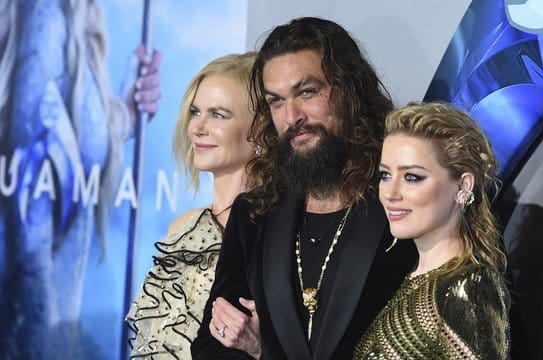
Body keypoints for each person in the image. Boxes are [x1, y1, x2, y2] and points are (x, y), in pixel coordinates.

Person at [191, 16, 417, 360]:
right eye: (276, 101)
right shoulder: (255, 215)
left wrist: (263, 351)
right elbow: (210, 346)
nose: (291, 116)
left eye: (307, 92)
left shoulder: (407, 204)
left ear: (350, 90)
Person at [0, 0, 161, 357]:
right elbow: (32, 199)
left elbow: (67, 133)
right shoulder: (45, 11)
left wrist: (125, 115)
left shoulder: (76, 13)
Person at [125, 52, 260, 359]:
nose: (198, 127)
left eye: (218, 114)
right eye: (196, 112)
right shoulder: (183, 228)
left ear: (259, 127)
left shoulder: (273, 231)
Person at [353, 101, 511, 359]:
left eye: (412, 177)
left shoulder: (467, 286)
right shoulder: (415, 277)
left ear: (463, 186)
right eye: (384, 175)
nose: (390, 193)